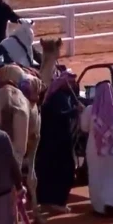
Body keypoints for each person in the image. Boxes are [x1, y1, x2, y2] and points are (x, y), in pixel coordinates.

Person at [80, 81, 113, 216]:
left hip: (95, 148)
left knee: (96, 176)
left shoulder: (90, 109)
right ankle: (112, 204)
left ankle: (99, 208)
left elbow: (84, 128)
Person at [35, 70, 82, 214]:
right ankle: (56, 202)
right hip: (56, 142)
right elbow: (59, 116)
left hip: (56, 142)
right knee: (63, 171)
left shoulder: (65, 96)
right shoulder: (58, 98)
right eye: (71, 82)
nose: (73, 85)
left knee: (51, 171)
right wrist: (75, 111)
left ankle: (48, 202)